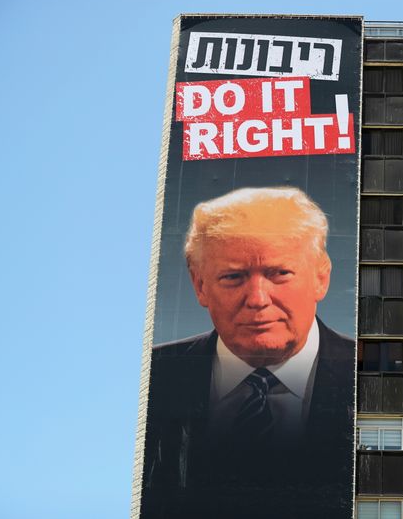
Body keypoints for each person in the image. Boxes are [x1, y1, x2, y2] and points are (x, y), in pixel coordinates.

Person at [140, 187, 354, 519]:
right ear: (200, 286)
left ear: (321, 277)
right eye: (233, 276)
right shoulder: (152, 379)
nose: (257, 299)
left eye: (279, 273)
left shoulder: (376, 376)